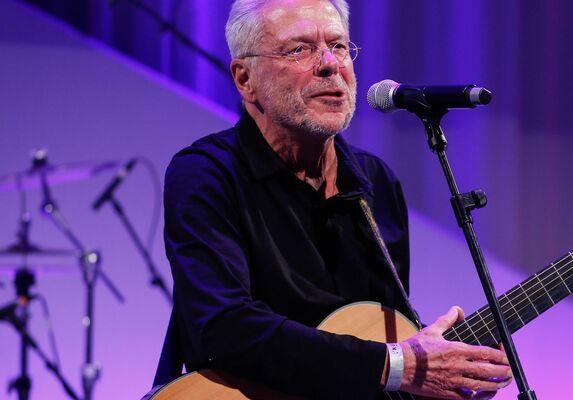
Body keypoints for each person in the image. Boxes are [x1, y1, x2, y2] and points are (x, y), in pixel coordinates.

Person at [154, 0, 512, 398]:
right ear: (244, 79)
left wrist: (445, 375)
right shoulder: (207, 175)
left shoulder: (375, 182)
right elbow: (222, 328)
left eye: (339, 46)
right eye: (299, 49)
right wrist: (399, 365)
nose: (330, 64)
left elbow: (376, 345)